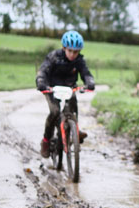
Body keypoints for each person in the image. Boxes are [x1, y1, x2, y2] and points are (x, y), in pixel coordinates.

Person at [36, 30, 95, 158]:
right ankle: (46, 140)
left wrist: (90, 83)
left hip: (69, 88)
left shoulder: (79, 61)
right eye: (70, 51)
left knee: (73, 101)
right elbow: (43, 71)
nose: (73, 54)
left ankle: (75, 129)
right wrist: (41, 82)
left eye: (76, 52)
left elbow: (86, 74)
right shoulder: (53, 57)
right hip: (52, 88)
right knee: (55, 111)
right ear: (64, 48)